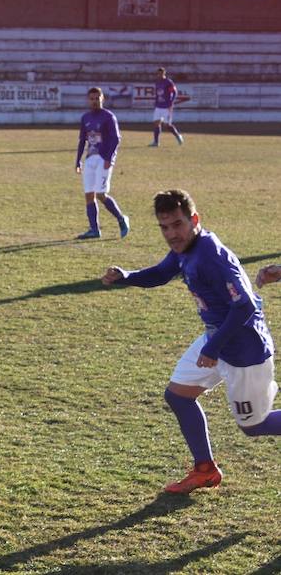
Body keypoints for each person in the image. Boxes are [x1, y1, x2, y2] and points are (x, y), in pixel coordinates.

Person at [101, 189, 279, 493]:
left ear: (194, 219)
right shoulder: (185, 249)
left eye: (178, 225)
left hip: (244, 350)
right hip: (216, 337)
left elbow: (246, 305)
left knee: (253, 426)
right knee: (178, 396)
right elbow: (161, 273)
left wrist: (213, 347)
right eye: (165, 227)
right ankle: (205, 470)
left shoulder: (211, 256)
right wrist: (127, 276)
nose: (172, 234)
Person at [74, 87, 129, 240]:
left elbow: (116, 139)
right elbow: (82, 140)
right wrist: (78, 160)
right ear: (88, 100)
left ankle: (121, 218)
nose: (94, 101)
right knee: (89, 195)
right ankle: (94, 230)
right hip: (90, 159)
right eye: (91, 98)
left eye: (97, 98)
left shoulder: (108, 117)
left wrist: (109, 158)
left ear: (102, 99)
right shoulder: (85, 118)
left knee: (100, 194)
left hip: (103, 159)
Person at [150, 67, 184, 147]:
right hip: (158, 106)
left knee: (167, 125)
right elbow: (157, 94)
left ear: (164, 73)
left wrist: (171, 102)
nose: (159, 75)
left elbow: (174, 92)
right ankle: (156, 142)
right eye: (158, 73)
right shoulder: (157, 82)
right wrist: (156, 102)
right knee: (156, 123)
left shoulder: (168, 82)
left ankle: (178, 136)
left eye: (161, 73)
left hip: (166, 106)